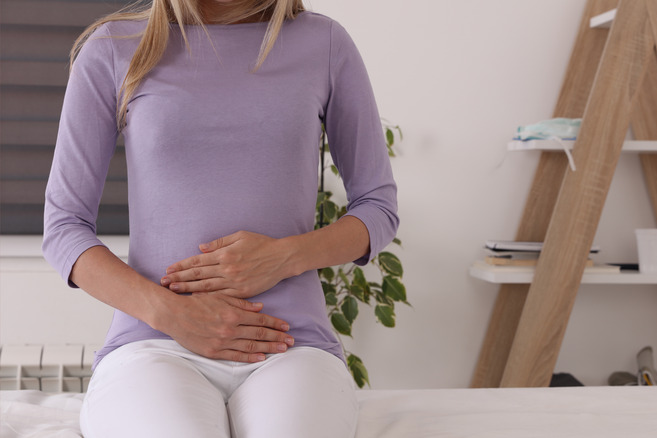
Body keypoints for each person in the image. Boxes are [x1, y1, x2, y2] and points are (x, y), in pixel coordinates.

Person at [42, 0, 399, 436]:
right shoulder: (114, 48)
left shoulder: (324, 43)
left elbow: (377, 206)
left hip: (292, 343)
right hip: (154, 344)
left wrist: (285, 256)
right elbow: (64, 226)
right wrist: (173, 314)